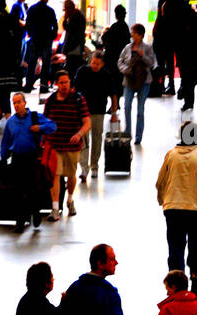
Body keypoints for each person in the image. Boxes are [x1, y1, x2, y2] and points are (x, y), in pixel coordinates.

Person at [156, 120, 197, 296]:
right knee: (195, 245)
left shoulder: (172, 154)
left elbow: (160, 180)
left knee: (175, 246)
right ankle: (194, 281)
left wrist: (161, 199)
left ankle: (175, 284)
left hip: (173, 207)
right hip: (196, 209)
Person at [0, 90, 55, 231]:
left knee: (33, 188)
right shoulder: (11, 122)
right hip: (17, 158)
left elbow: (53, 126)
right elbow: (5, 141)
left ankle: (35, 212)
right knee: (17, 190)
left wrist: (40, 128)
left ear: (25, 103)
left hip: (32, 158)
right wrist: (3, 157)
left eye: (19, 102)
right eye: (14, 103)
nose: (17, 105)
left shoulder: (35, 117)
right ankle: (20, 221)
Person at [42, 69, 89, 219]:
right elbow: (45, 120)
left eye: (66, 82)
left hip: (72, 146)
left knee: (71, 175)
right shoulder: (51, 100)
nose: (64, 85)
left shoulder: (78, 99)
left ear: (70, 82)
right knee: (55, 175)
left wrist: (79, 134)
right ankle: (55, 208)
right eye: (61, 83)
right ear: (56, 84)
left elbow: (87, 123)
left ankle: (70, 199)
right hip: (55, 145)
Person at [75, 49, 113, 182]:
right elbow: (75, 90)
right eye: (93, 63)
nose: (94, 66)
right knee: (84, 141)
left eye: (97, 64)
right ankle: (84, 168)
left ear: (102, 64)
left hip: (99, 112)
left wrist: (114, 112)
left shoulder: (106, 75)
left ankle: (94, 165)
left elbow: (112, 94)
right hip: (83, 112)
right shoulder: (82, 72)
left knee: (97, 139)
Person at [117, 23, 155, 146]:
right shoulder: (127, 47)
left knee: (140, 110)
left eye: (134, 32)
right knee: (127, 106)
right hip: (129, 80)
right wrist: (124, 69)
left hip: (144, 81)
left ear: (141, 35)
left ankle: (139, 136)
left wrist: (142, 55)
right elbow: (120, 61)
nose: (132, 34)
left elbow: (151, 63)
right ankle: (128, 131)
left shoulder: (148, 48)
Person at [101, 4, 130, 117]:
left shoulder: (115, 26)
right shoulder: (125, 27)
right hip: (121, 60)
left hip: (112, 60)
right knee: (118, 83)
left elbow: (105, 38)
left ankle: (114, 105)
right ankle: (115, 104)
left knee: (112, 83)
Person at [23, 0, 56, 93]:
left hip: (35, 39)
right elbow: (55, 25)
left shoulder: (32, 9)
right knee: (46, 64)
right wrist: (52, 37)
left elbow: (28, 24)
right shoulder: (50, 11)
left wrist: (31, 34)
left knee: (32, 63)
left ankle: (29, 85)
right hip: (46, 41)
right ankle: (44, 86)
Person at [60, 0, 85, 79]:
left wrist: (66, 18)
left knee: (71, 68)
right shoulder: (79, 16)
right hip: (76, 46)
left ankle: (71, 85)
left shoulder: (75, 17)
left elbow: (68, 29)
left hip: (73, 46)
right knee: (73, 67)